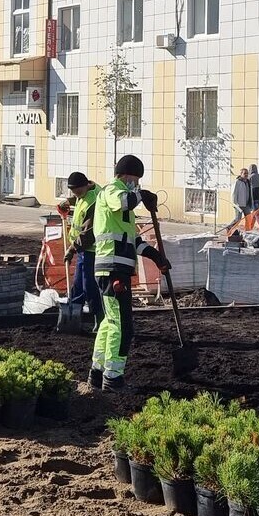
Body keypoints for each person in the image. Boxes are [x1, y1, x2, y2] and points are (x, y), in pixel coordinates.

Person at [91, 154, 170, 391]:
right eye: (136, 180)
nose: (137, 185)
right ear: (126, 176)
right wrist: (141, 195)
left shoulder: (122, 205)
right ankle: (113, 378)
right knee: (122, 326)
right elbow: (124, 201)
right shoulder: (112, 191)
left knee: (109, 322)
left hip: (114, 269)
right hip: (112, 269)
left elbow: (132, 240)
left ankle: (97, 372)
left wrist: (156, 256)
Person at [60, 171, 101, 327]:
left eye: (77, 191)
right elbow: (79, 199)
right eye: (73, 192)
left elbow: (88, 233)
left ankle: (99, 318)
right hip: (83, 250)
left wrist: (72, 249)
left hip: (92, 249)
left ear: (85, 185)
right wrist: (68, 202)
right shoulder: (84, 192)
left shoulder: (95, 201)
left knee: (90, 286)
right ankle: (73, 317)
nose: (76, 195)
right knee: (77, 285)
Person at [223, 168, 255, 236]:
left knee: (248, 218)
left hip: (246, 204)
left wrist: (251, 203)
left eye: (247, 173)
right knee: (238, 219)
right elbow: (234, 194)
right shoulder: (237, 182)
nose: (246, 175)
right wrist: (235, 204)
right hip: (239, 204)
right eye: (244, 173)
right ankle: (229, 227)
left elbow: (250, 193)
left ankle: (247, 232)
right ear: (241, 174)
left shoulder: (248, 182)